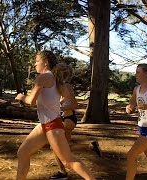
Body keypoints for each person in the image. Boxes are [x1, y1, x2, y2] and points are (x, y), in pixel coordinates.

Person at [15, 50, 95, 180]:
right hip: (45, 125)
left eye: (37, 61)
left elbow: (31, 101)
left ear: (45, 63)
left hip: (52, 125)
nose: (35, 64)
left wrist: (21, 96)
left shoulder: (43, 77)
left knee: (68, 161)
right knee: (23, 152)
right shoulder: (55, 79)